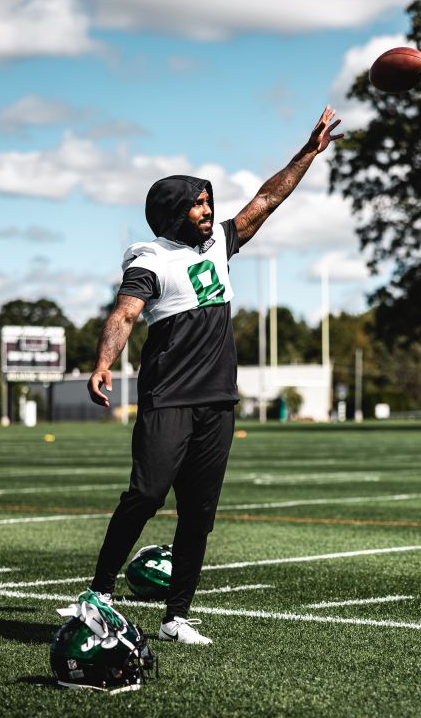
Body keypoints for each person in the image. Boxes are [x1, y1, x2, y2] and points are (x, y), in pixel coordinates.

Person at [78, 106, 344, 645]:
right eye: (196, 203)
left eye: (207, 200)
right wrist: (104, 363)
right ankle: (100, 592)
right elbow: (125, 313)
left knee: (199, 514)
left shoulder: (221, 242)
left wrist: (307, 154)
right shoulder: (150, 257)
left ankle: (176, 616)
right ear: (173, 211)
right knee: (147, 493)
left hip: (218, 398)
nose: (207, 209)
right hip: (168, 395)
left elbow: (266, 201)